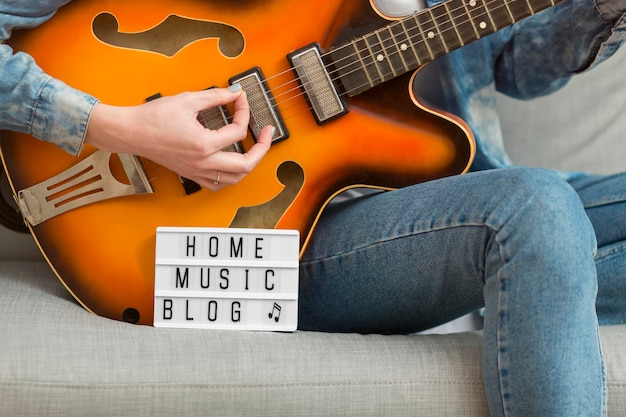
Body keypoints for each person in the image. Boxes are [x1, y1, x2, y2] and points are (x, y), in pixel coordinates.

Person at [2, 0, 626, 416]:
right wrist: (122, 128)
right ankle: (526, 266)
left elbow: (508, 57)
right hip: (274, 234)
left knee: (536, 212)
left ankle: (527, 277)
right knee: (534, 206)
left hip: (451, 197)